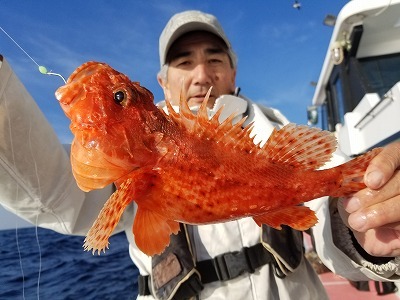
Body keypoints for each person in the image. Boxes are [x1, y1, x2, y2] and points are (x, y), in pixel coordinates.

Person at [1, 9, 400, 300]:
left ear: (233, 72)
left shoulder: (273, 132)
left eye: (214, 59)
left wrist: (362, 227)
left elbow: (332, 206)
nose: (201, 74)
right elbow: (56, 195)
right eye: (184, 61)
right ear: (161, 81)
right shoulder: (133, 160)